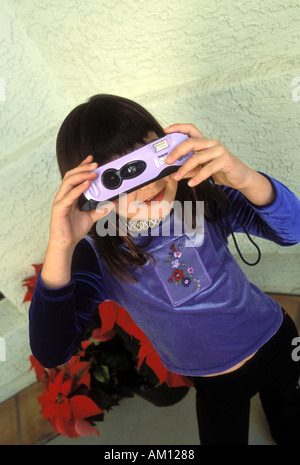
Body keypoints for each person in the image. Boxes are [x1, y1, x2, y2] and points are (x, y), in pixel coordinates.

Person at [29, 94, 300, 445]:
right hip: (213, 379)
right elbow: (52, 350)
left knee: (291, 420)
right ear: (89, 191)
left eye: (148, 158)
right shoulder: (99, 256)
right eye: (118, 177)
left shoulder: (199, 200)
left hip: (276, 337)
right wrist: (61, 247)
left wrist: (244, 177)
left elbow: (292, 231)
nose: (144, 183)